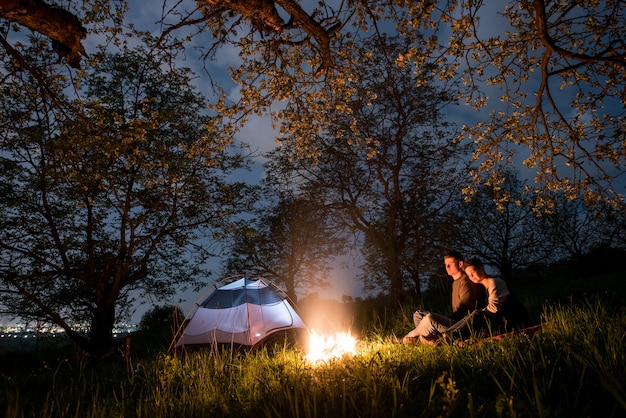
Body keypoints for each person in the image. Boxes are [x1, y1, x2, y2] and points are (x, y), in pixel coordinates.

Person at [401, 251, 486, 344]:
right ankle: (429, 338)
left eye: (450, 264)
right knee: (418, 314)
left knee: (430, 318)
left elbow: (465, 310)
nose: (447, 267)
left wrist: (444, 318)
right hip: (453, 321)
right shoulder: (455, 283)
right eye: (445, 265)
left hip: (460, 325)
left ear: (460, 264)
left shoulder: (466, 281)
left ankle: (408, 338)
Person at [452, 257, 529, 336]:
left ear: (481, 268)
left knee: (477, 314)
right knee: (473, 314)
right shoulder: (483, 289)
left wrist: (479, 312)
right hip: (500, 322)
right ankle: (450, 332)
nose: (471, 276)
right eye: (468, 275)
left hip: (513, 321)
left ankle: (453, 334)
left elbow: (494, 308)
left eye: (473, 272)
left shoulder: (495, 282)